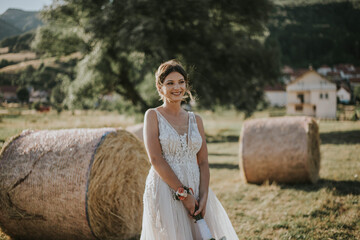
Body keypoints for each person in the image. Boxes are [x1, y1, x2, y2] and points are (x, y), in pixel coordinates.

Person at [140, 60, 238, 240]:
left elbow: (203, 161)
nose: (176, 87)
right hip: (166, 188)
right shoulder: (153, 115)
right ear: (160, 87)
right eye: (170, 83)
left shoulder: (196, 120)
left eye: (181, 82)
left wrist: (204, 196)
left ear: (186, 84)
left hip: (196, 188)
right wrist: (184, 195)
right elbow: (156, 159)